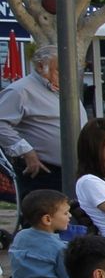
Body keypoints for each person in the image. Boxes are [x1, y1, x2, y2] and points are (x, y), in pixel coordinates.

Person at [0, 45, 65, 200]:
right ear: (41, 67)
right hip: (42, 170)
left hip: (69, 169)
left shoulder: (63, 88)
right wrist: (26, 151)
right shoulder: (20, 90)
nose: (65, 75)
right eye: (59, 70)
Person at [9, 189, 71, 278]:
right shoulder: (59, 247)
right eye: (66, 213)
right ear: (47, 219)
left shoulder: (20, 236)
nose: (70, 216)